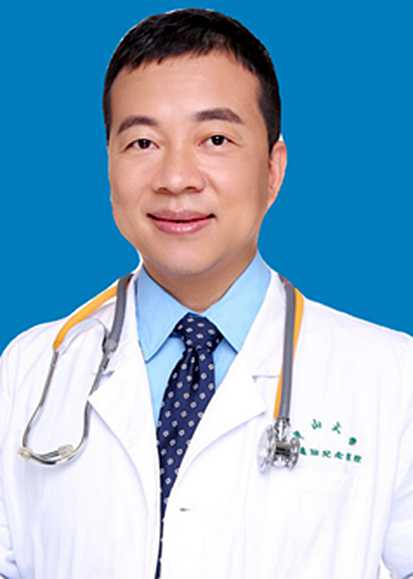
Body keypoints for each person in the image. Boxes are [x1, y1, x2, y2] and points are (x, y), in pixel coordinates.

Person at [0, 7, 412, 579]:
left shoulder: (393, 377)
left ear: (273, 169)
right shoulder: (29, 370)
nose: (176, 178)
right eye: (143, 142)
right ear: (109, 165)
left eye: (215, 139)